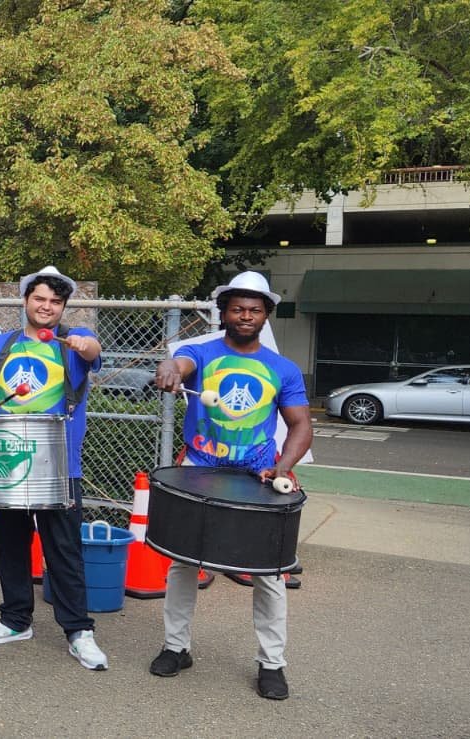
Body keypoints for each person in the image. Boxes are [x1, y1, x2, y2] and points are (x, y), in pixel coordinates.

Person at [150, 270, 312, 700]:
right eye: (237, 309)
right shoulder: (199, 353)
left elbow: (300, 426)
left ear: (265, 316)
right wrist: (169, 368)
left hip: (254, 477)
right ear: (223, 313)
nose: (245, 316)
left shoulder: (283, 369)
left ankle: (272, 664)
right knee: (183, 562)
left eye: (254, 310)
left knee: (269, 573)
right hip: (199, 470)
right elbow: (178, 363)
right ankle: (176, 647)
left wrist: (282, 466)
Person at [0, 266, 109, 671]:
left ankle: (79, 631)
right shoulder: (1, 344)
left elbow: (94, 353)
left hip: (61, 466)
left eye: (55, 302)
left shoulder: (73, 346)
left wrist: (84, 344)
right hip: (6, 461)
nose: (47, 307)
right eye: (40, 298)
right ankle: (15, 619)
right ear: (26, 300)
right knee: (7, 545)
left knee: (63, 548)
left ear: (64, 307)